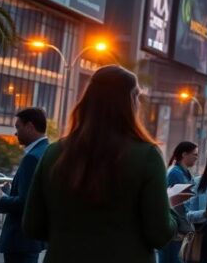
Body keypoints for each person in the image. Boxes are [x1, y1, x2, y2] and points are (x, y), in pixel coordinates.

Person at [23, 65, 191, 262]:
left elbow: (32, 225)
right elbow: (160, 233)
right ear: (128, 102)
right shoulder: (147, 155)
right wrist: (167, 207)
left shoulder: (55, 153)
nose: (138, 103)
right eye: (136, 96)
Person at [0, 108, 50, 263]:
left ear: (30, 126)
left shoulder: (32, 158)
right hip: (33, 239)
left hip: (21, 240)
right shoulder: (47, 151)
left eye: (18, 127)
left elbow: (26, 203)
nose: (15, 133)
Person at [159, 141, 198, 263]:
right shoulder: (175, 173)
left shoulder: (185, 174)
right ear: (184, 154)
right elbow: (177, 206)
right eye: (194, 154)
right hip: (174, 233)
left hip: (180, 232)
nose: (196, 158)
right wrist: (186, 228)